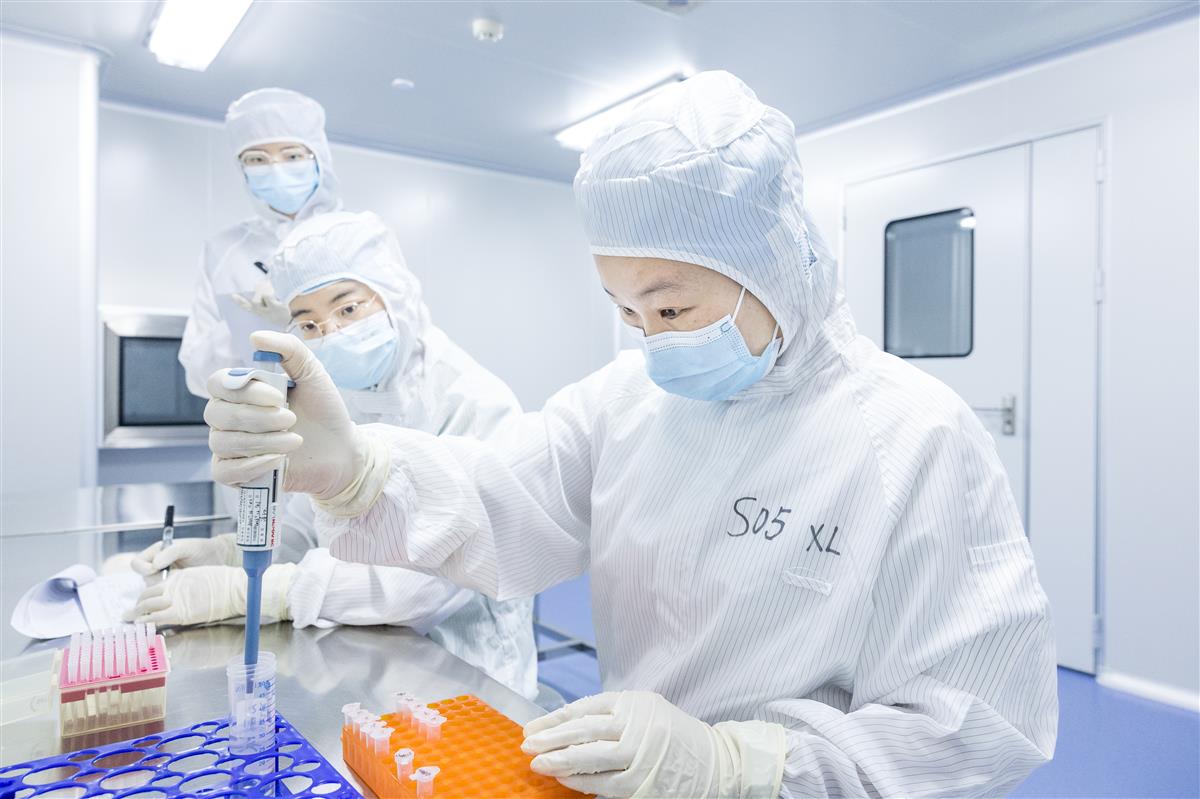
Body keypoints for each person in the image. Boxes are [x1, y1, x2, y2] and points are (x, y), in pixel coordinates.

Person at [202, 72, 1058, 797]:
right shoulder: (626, 401)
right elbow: (504, 499)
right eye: (626, 311)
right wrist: (359, 472)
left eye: (671, 307)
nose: (653, 340)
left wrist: (741, 766)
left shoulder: (914, 436)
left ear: (771, 262)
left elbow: (977, 721)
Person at [132, 211, 538, 701]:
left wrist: (260, 592)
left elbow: (429, 584)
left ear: (393, 293)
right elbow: (313, 525)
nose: (332, 332)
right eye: (308, 322)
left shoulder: (471, 401)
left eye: (347, 308)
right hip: (375, 664)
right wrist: (232, 553)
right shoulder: (342, 395)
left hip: (470, 674)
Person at [179, 88, 342, 398]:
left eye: (292, 155)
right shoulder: (223, 250)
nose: (276, 169)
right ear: (242, 169)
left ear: (319, 158)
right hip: (256, 418)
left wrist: (301, 323)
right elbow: (198, 375)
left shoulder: (354, 236)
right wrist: (248, 325)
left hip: (348, 417)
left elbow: (390, 354)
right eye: (257, 159)